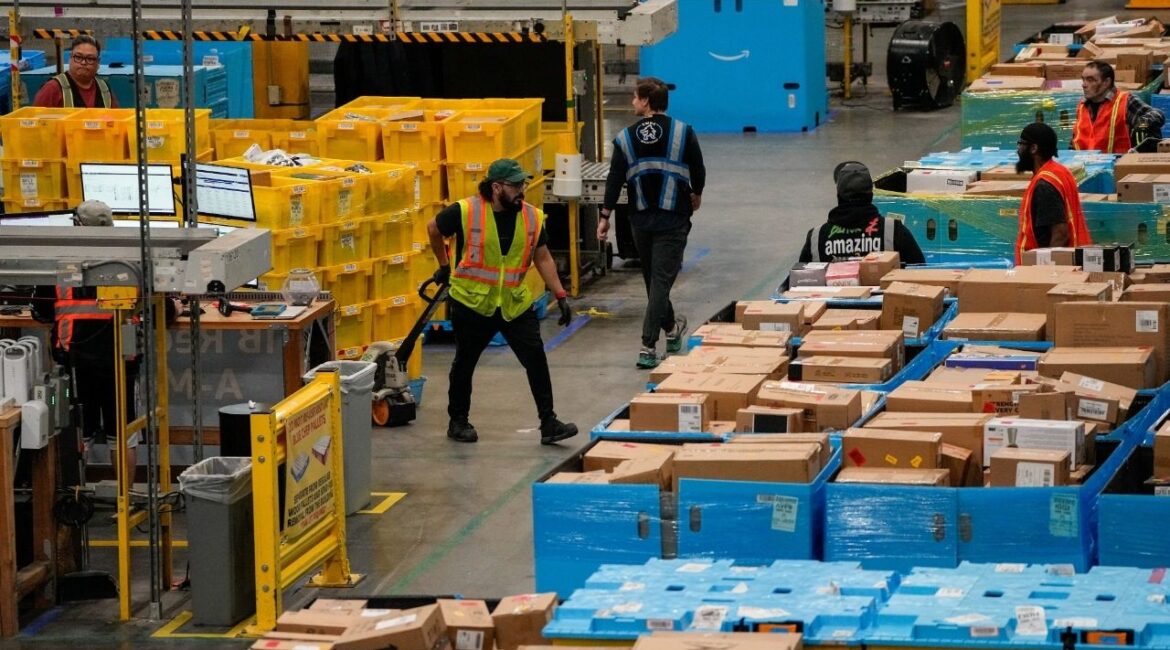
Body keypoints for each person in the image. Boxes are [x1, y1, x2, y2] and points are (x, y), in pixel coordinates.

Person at [427, 158, 578, 445]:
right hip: (472, 302)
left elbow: (542, 256)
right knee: (465, 363)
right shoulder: (466, 210)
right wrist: (445, 265)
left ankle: (549, 423)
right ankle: (458, 422)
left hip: (512, 303)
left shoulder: (531, 217)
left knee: (536, 359)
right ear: (496, 187)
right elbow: (433, 228)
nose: (522, 189)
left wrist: (560, 294)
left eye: (523, 183)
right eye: (516, 185)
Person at [599, 76, 705, 370]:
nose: (632, 102)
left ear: (646, 101)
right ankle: (649, 345)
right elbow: (698, 168)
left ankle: (671, 331)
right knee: (658, 283)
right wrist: (696, 193)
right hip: (673, 218)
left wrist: (605, 216)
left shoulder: (625, 138)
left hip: (640, 220)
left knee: (653, 280)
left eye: (634, 97)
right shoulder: (683, 132)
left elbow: (615, 178)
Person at [31, 201, 139, 476]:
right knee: (123, 434)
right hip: (120, 360)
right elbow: (152, 304)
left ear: (78, 225)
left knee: (74, 429)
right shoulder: (129, 261)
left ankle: (74, 501)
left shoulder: (60, 261)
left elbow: (42, 312)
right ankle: (123, 504)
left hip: (74, 362)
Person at [798, 161, 925, 265]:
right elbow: (920, 273)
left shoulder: (817, 237)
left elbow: (797, 283)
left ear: (839, 194)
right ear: (870, 194)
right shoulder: (893, 231)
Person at [1016, 122, 1092, 264]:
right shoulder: (1060, 172)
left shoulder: (1044, 185)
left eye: (1021, 144)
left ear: (1033, 148)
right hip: (1075, 261)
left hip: (1048, 272)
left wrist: (1048, 269)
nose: (1018, 149)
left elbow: (1061, 234)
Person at [1072, 60, 1163, 153]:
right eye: (1083, 79)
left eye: (1090, 80)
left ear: (1106, 82)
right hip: (1084, 164)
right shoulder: (1082, 106)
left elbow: (1157, 114)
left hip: (1119, 164)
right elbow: (1075, 141)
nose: (1084, 84)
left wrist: (1142, 123)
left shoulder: (1124, 100)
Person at [32, 35, 118, 109]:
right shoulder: (52, 89)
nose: (83, 62)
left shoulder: (105, 90)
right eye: (78, 57)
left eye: (90, 59)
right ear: (70, 58)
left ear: (98, 62)